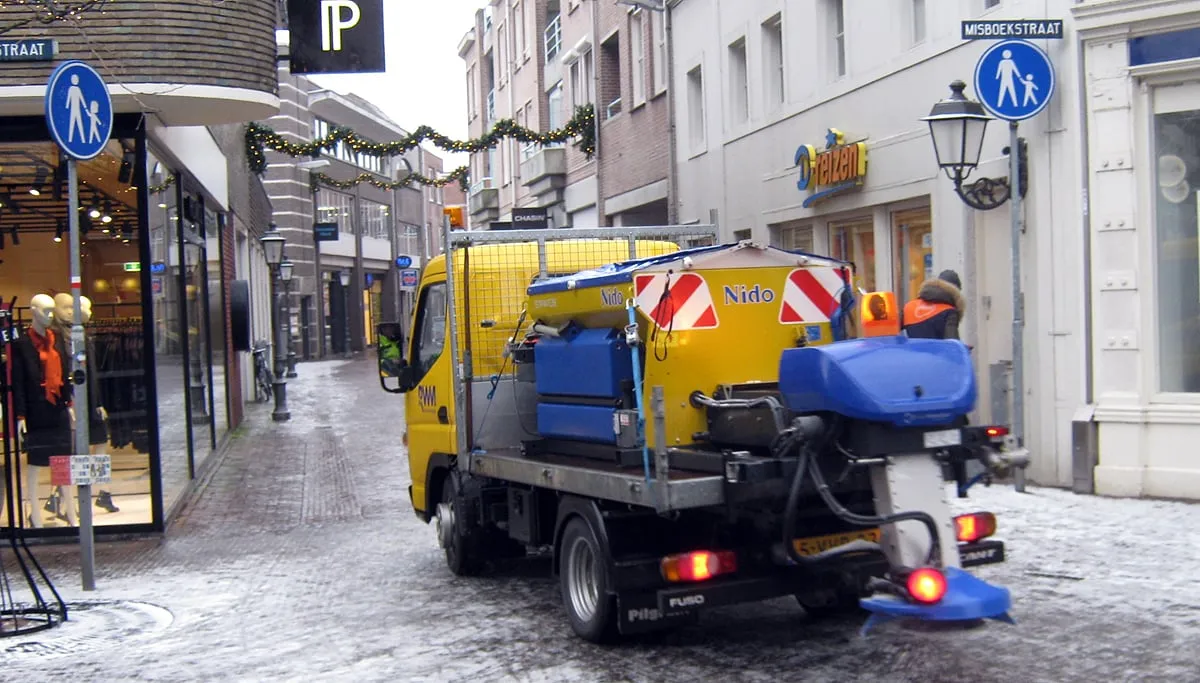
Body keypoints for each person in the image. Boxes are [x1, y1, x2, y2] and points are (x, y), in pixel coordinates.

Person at [901, 270, 965, 341]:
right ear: (955, 293)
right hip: (937, 352)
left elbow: (890, 333)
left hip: (912, 352)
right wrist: (962, 348)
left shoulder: (910, 307)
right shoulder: (949, 312)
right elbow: (952, 344)